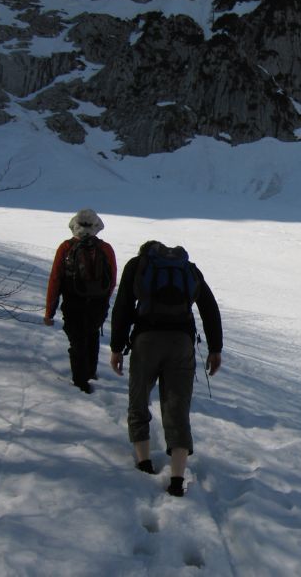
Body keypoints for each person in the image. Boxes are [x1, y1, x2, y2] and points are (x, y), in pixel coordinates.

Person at [109, 241, 222, 497]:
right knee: (177, 409)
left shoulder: (137, 266)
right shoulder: (189, 269)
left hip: (146, 342)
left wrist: (117, 347)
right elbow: (209, 308)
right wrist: (216, 348)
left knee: (138, 401)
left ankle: (144, 462)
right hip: (181, 343)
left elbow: (123, 307)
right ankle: (177, 478)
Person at [45, 209, 117, 394]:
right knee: (92, 335)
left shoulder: (66, 247)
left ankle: (80, 383)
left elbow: (55, 280)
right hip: (98, 303)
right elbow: (112, 279)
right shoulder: (105, 248)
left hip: (73, 302)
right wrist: (104, 299)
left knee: (77, 341)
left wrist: (49, 312)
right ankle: (90, 373)